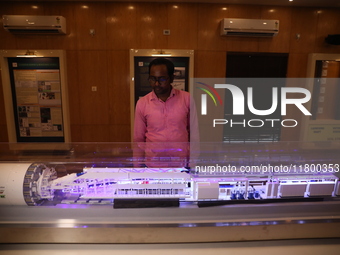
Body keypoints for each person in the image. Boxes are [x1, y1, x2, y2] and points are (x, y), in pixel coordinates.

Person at [133, 58, 198, 167]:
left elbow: (194, 134)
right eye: (152, 79)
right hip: (154, 165)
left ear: (172, 78)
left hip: (181, 165)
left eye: (162, 79)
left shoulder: (187, 99)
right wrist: (137, 167)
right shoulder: (142, 103)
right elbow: (138, 139)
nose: (156, 84)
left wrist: (193, 164)